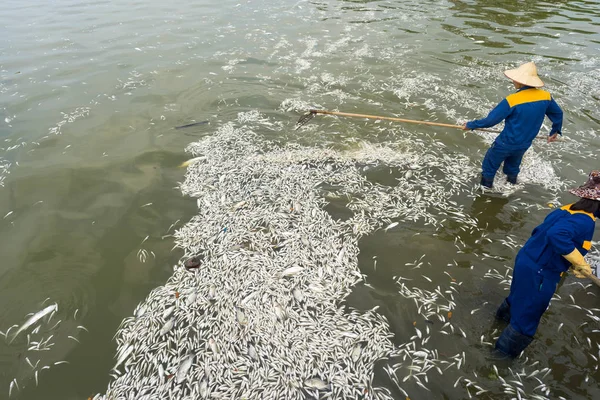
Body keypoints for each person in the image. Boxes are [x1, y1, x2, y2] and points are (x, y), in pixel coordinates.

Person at [494, 171, 600, 358]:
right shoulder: (584, 221)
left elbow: (543, 232)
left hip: (526, 259)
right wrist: (579, 261)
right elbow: (557, 235)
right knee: (528, 318)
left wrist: (571, 259)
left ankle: (498, 322)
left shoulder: (568, 209)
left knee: (518, 297)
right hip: (541, 271)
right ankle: (499, 360)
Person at [463, 62, 563, 188]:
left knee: (489, 166)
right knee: (513, 167)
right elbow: (558, 113)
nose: (513, 81)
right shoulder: (546, 96)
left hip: (505, 143)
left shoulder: (512, 100)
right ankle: (511, 187)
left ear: (520, 81)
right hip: (525, 143)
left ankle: (485, 192)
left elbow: (490, 121)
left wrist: (471, 125)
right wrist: (554, 131)